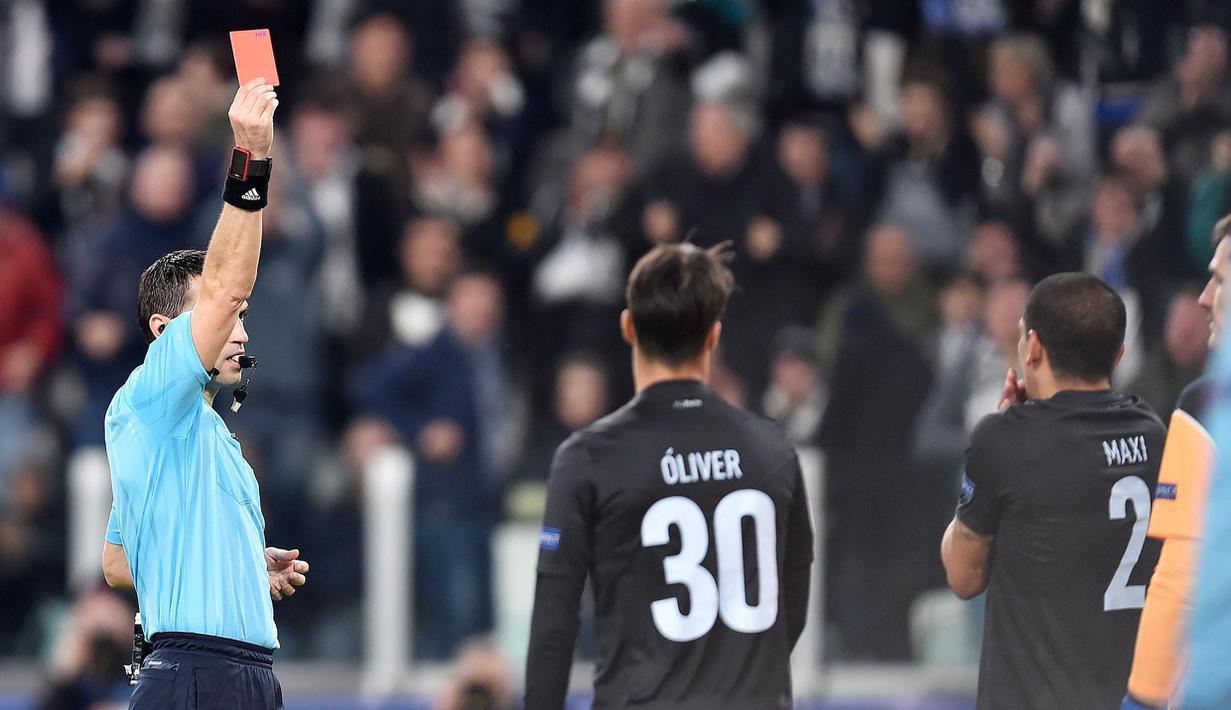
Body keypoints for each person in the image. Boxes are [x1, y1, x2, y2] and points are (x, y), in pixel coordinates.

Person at [525, 243, 814, 709]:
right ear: (714, 336)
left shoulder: (588, 457)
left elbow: (553, 627)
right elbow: (793, 596)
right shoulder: (773, 447)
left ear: (627, 327)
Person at [97, 79, 308, 709]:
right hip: (194, 673)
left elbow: (117, 563)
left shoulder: (198, 432)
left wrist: (237, 564)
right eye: (222, 320)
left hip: (244, 675)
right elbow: (227, 286)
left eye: (241, 321)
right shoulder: (150, 399)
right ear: (165, 333)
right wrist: (251, 157)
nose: (240, 330)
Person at [941, 272, 1167, 709]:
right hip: (1128, 698)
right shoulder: (1153, 432)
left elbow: (963, 576)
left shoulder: (1003, 441)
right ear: (1118, 355)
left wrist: (998, 445)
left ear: (1033, 347)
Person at [1121, 218, 1231, 710]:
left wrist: (1143, 702)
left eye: (1220, 280)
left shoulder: (1211, 407)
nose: (1205, 298)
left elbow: (1178, 584)